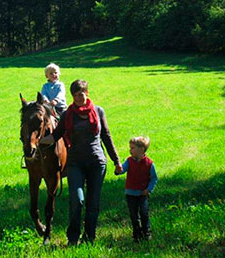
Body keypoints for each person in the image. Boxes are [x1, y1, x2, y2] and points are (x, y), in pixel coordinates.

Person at [40, 79, 122, 246]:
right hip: (75, 163)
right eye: (76, 95)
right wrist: (37, 142)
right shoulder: (67, 114)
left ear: (87, 93)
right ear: (72, 96)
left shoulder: (98, 111)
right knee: (77, 201)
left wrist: (116, 161)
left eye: (82, 94)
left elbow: (106, 136)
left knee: (93, 203)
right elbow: (56, 136)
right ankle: (73, 238)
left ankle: (89, 237)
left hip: (97, 162)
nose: (79, 98)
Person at [115, 136, 158, 242]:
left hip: (143, 193)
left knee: (144, 212)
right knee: (133, 214)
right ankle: (136, 233)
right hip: (130, 193)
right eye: (130, 148)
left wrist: (149, 189)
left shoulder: (149, 163)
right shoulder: (129, 161)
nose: (130, 150)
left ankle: (146, 231)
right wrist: (118, 170)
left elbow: (154, 178)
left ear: (142, 149)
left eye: (133, 148)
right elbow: (122, 170)